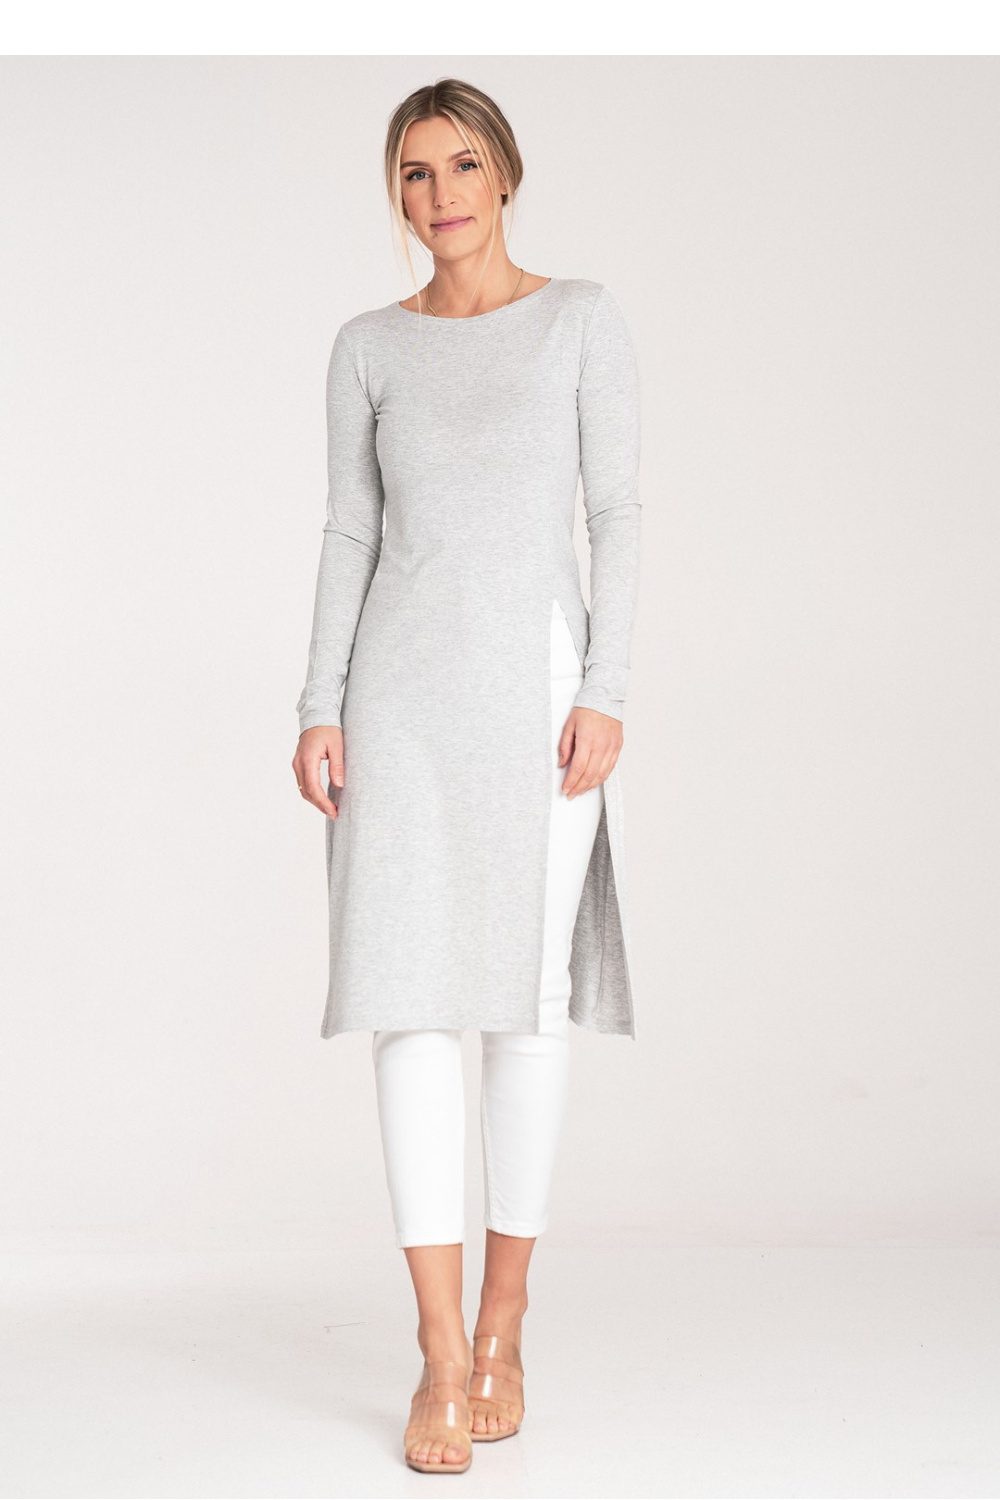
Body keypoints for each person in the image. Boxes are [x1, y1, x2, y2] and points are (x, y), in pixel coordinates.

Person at [292, 78, 642, 1475]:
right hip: (401, 703)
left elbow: (616, 512)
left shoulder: (580, 320)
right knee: (410, 1005)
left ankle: (506, 1317)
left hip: (540, 693)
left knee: (526, 1007)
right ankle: (439, 1350)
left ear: (506, 175)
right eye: (414, 173)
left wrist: (608, 687)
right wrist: (320, 705)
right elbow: (348, 532)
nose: (439, 195)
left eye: (462, 165)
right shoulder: (368, 347)